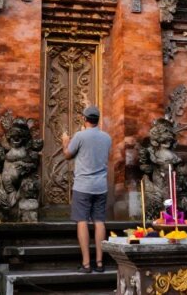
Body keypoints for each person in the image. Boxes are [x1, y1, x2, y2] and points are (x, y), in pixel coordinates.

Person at [61, 105, 111, 273]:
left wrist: (65, 142)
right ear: (98, 119)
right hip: (101, 185)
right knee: (99, 222)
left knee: (82, 222)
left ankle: (86, 264)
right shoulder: (107, 137)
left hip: (83, 185)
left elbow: (68, 155)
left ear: (85, 119)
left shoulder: (80, 136)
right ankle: (99, 263)